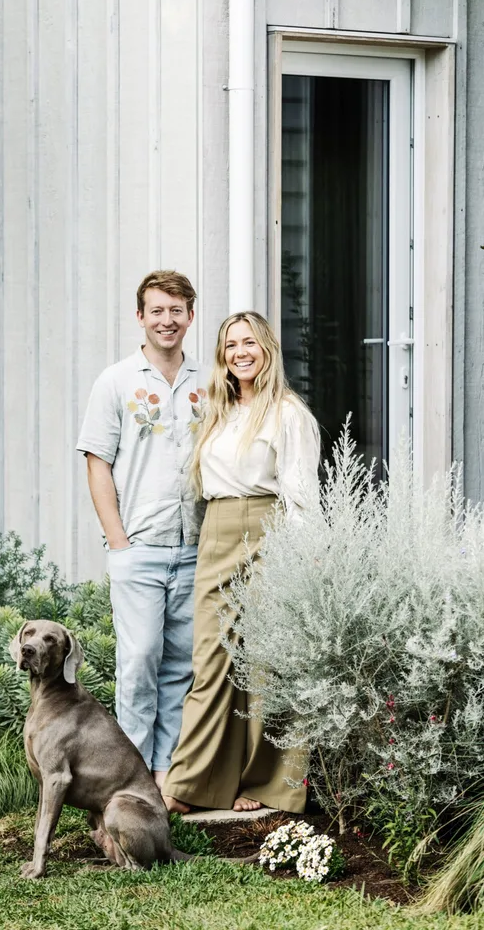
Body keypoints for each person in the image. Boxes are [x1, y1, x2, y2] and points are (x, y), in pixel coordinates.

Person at [162, 310, 320, 814]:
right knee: (212, 661)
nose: (239, 352)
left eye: (249, 342)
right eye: (231, 345)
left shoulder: (288, 412)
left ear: (267, 349)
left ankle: (265, 784)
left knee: (267, 663)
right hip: (217, 532)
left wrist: (300, 561)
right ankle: (194, 783)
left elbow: (301, 495)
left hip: (270, 533)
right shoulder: (217, 410)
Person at [76, 271, 209, 790]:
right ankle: (129, 786)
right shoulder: (116, 380)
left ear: (190, 316)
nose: (167, 320)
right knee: (138, 662)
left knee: (180, 665)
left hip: (196, 546)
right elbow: (96, 461)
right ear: (140, 317)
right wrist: (118, 542)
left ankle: (165, 778)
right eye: (157, 310)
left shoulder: (208, 380)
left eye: (176, 311)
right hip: (140, 548)